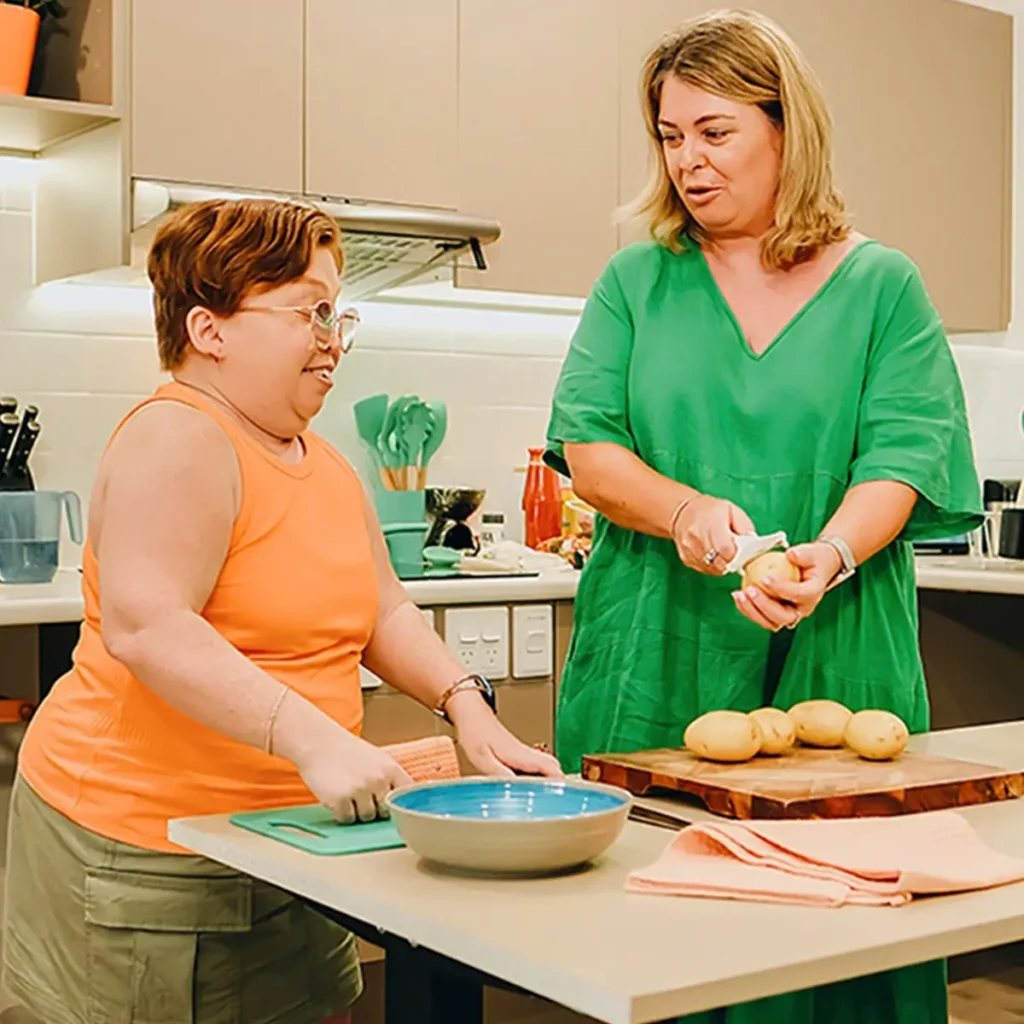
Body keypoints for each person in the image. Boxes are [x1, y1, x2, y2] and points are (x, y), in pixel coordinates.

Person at [2, 197, 560, 1024]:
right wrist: (314, 739)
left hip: (301, 843)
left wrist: (465, 706)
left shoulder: (323, 462)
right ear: (209, 330)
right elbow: (148, 625)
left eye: (339, 313)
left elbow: (384, 612)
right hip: (150, 860)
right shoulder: (178, 437)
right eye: (311, 311)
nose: (333, 339)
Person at [545, 10, 981, 1024]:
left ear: (788, 129)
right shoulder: (636, 280)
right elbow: (589, 446)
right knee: (664, 933)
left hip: (841, 642)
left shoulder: (882, 288)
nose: (686, 162)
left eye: (714, 131)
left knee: (841, 925)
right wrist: (686, 509)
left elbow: (905, 457)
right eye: (668, 135)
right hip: (659, 642)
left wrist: (827, 553)